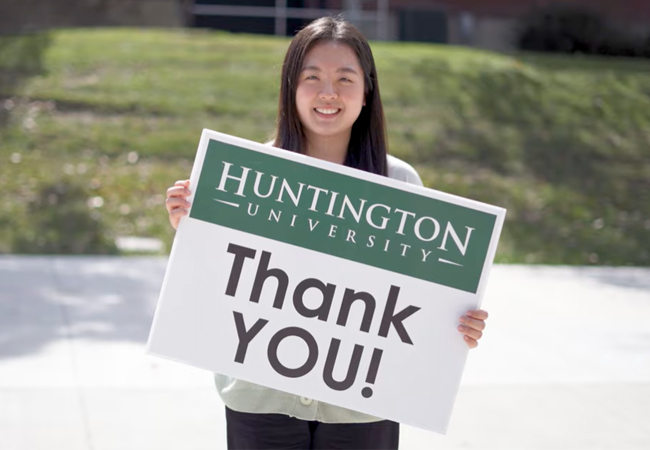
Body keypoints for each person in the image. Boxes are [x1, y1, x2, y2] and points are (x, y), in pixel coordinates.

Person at [164, 16, 488, 450]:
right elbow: (216, 287)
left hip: (364, 406)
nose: (328, 93)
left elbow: (422, 302)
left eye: (344, 78)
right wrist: (189, 231)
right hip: (261, 401)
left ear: (367, 89)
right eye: (312, 77)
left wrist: (457, 323)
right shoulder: (244, 174)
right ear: (290, 87)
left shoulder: (400, 182)